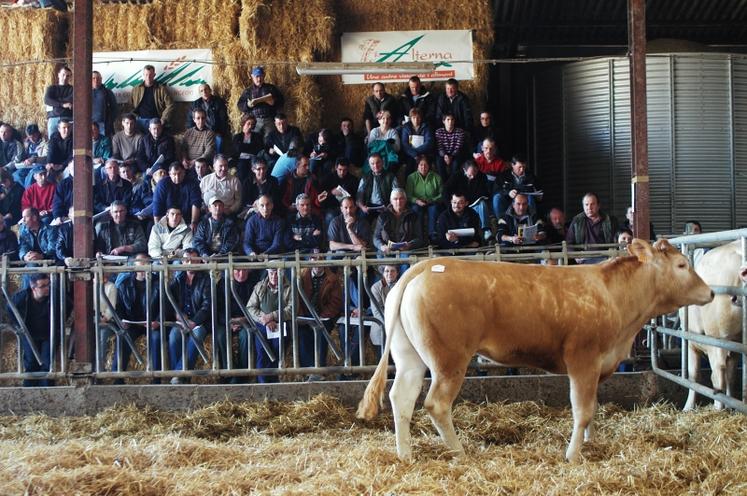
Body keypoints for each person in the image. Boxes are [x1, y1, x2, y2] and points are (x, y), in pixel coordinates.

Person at [162, 249, 219, 383]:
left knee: (196, 336)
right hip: (182, 320)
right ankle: (182, 378)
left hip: (200, 322)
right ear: (183, 261)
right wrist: (178, 315)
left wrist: (194, 322)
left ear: (199, 260)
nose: (190, 263)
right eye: (187, 260)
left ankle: (178, 374)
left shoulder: (206, 279)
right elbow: (170, 301)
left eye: (194, 259)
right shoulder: (178, 279)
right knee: (174, 336)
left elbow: (207, 305)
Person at [111, 254, 160, 379]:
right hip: (132, 323)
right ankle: (117, 376)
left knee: (156, 338)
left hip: (151, 323)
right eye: (141, 264)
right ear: (135, 266)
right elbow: (119, 307)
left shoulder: (159, 283)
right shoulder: (124, 284)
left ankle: (157, 376)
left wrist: (158, 321)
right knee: (123, 336)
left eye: (146, 264)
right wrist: (121, 321)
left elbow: (166, 306)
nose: (144, 268)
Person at [8, 274, 60, 386]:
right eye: (43, 286)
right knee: (31, 363)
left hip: (48, 334)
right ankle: (29, 392)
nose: (47, 288)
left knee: (47, 364)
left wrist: (57, 325)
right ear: (33, 288)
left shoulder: (55, 296)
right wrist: (19, 326)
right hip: (29, 334)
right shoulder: (21, 298)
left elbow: (67, 306)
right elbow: (10, 308)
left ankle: (47, 392)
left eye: (48, 284)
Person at [297, 253, 342, 374]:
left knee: (322, 333)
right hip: (306, 315)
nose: (317, 263)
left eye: (320, 259)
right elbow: (296, 300)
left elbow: (335, 302)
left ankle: (320, 370)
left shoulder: (332, 279)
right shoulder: (300, 276)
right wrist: (302, 315)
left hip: (324, 316)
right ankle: (308, 370)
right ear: (309, 261)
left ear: (324, 262)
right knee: (301, 334)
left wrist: (323, 316)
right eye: (313, 259)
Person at [246, 267, 293, 383]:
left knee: (278, 349)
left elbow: (292, 309)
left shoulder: (289, 288)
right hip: (262, 324)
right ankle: (262, 383)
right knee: (262, 351)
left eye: (277, 273)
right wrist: (265, 319)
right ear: (268, 273)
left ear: (282, 273)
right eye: (272, 273)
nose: (274, 276)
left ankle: (274, 381)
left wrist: (272, 316)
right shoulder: (260, 286)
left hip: (282, 324)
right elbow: (250, 307)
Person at [444, 161, 493, 239]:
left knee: (483, 204)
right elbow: (446, 190)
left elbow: (485, 192)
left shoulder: (482, 176)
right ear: (464, 170)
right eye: (470, 175)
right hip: (459, 204)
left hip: (474, 203)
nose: (473, 177)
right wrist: (451, 205)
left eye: (475, 172)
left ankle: (486, 230)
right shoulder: (457, 175)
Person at [565, 192, 618, 263]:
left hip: (605, 259)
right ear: (583, 206)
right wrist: (576, 256)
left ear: (598, 206)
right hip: (583, 259)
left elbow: (616, 241)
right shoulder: (577, 221)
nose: (589, 208)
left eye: (592, 204)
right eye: (586, 205)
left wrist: (611, 256)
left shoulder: (609, 220)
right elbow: (569, 243)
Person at [373, 188, 424, 259]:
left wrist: (410, 245)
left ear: (405, 200)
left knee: (407, 257)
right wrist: (382, 246)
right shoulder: (383, 216)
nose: (398, 201)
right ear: (391, 201)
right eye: (395, 199)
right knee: (381, 255)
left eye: (401, 198)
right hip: (387, 250)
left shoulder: (413, 216)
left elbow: (419, 238)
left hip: (406, 251)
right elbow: (376, 237)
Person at [152, 162, 203, 228]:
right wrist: (158, 227)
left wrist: (194, 222)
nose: (177, 177)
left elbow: (196, 203)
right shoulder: (162, 185)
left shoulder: (192, 183)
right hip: (168, 220)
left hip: (187, 219)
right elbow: (157, 207)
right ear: (169, 174)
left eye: (179, 174)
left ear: (184, 173)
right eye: (174, 174)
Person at [237, 66, 285, 136]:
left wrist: (274, 102)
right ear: (252, 77)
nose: (259, 79)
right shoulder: (248, 91)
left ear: (264, 76)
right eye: (257, 77)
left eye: (261, 76)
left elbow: (282, 102)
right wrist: (247, 105)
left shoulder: (271, 88)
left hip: (269, 119)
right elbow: (239, 105)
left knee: (269, 141)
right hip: (254, 120)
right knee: (253, 140)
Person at [405, 155, 442, 240]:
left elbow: (441, 195)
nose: (423, 167)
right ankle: (419, 237)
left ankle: (432, 236)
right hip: (417, 203)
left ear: (429, 166)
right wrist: (417, 201)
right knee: (416, 209)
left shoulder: (436, 177)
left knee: (434, 209)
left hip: (432, 202)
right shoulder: (411, 177)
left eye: (425, 165)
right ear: (417, 166)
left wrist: (431, 200)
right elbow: (408, 194)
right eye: (421, 165)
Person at [492, 153, 540, 219]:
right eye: (519, 167)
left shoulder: (531, 176)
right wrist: (508, 192)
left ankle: (533, 221)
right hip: (508, 201)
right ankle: (501, 222)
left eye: (524, 167)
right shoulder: (503, 176)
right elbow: (496, 190)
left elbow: (538, 190)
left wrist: (539, 196)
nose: (522, 170)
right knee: (497, 197)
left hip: (524, 202)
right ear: (512, 165)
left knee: (530, 197)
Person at [186, 83, 229, 153]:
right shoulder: (195, 104)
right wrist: (194, 133)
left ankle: (217, 159)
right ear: (199, 93)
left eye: (206, 89)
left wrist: (220, 132)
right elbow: (190, 121)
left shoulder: (218, 102)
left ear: (210, 90)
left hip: (214, 131)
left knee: (219, 140)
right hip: (200, 131)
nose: (204, 92)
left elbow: (223, 120)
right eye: (201, 91)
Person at [130, 64, 175, 131]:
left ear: (154, 75)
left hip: (156, 120)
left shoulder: (161, 89)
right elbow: (130, 105)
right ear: (143, 75)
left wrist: (163, 119)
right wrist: (134, 117)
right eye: (146, 75)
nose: (148, 77)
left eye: (150, 75)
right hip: (140, 121)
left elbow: (170, 104)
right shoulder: (136, 89)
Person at [318, 157, 360, 227]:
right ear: (336, 168)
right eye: (340, 169)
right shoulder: (328, 178)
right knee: (330, 216)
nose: (342, 173)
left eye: (345, 170)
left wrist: (348, 196)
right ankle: (331, 237)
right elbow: (320, 195)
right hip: (332, 207)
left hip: (348, 207)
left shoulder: (353, 180)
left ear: (348, 169)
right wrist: (331, 192)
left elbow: (356, 197)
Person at [369, 265, 399, 360]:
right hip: (382, 326)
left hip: (398, 327)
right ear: (383, 273)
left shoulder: (402, 286)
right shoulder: (376, 288)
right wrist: (391, 325)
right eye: (387, 271)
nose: (390, 274)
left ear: (397, 273)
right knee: (383, 359)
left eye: (393, 271)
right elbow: (377, 311)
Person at [356, 153, 399, 220]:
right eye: (372, 163)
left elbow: (396, 194)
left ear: (382, 162)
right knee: (361, 218)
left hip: (385, 206)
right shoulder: (365, 177)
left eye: (378, 162)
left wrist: (390, 206)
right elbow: (359, 195)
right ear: (369, 165)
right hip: (368, 206)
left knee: (386, 220)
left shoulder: (391, 176)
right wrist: (362, 207)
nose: (375, 166)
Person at [400, 107, 435, 174]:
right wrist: (414, 154)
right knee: (409, 166)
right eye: (413, 118)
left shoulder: (426, 127)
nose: (416, 120)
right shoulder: (406, 127)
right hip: (410, 154)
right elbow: (404, 144)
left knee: (424, 165)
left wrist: (417, 153)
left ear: (421, 118)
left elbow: (429, 142)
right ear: (410, 118)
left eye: (418, 118)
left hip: (424, 153)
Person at [232, 113, 265, 182]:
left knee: (254, 168)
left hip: (253, 158)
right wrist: (251, 147)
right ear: (243, 123)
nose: (250, 126)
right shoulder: (237, 136)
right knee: (242, 167)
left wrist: (243, 146)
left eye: (252, 124)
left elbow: (258, 149)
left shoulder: (257, 136)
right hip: (241, 159)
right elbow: (237, 149)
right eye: (248, 123)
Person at [43, 65, 73, 137]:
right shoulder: (51, 88)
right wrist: (63, 105)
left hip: (67, 118)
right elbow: (47, 100)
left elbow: (71, 99)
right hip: (53, 118)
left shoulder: (72, 89)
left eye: (68, 76)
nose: (65, 77)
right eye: (63, 75)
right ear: (59, 75)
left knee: (68, 140)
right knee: (53, 140)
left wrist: (55, 101)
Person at [435, 113, 466, 180]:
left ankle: (452, 182)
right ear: (443, 121)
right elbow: (439, 146)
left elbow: (458, 147)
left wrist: (451, 156)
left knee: (456, 164)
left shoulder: (460, 132)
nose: (450, 122)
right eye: (448, 120)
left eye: (452, 120)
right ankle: (443, 183)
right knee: (438, 162)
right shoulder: (438, 132)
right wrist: (445, 156)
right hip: (443, 154)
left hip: (455, 154)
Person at [91, 70, 118, 136]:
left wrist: (109, 121)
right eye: (93, 78)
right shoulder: (85, 93)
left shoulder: (108, 92)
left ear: (101, 79)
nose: (96, 80)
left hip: (103, 125)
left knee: (104, 144)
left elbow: (115, 109)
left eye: (98, 78)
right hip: (90, 125)